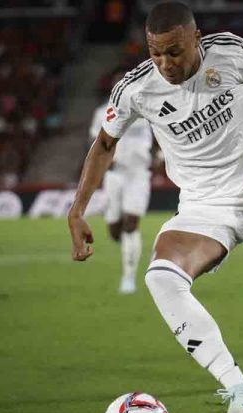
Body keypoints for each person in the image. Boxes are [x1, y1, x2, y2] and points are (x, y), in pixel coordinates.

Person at [67, 2, 243, 413]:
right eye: (155, 53)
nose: (165, 64)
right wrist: (78, 208)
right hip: (202, 205)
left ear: (196, 38)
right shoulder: (136, 88)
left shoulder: (233, 52)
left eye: (174, 52)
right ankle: (241, 392)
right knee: (160, 277)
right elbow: (104, 144)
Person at [88, 71, 157, 295]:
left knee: (131, 224)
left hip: (138, 173)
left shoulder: (148, 110)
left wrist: (159, 159)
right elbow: (95, 142)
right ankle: (129, 248)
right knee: (115, 230)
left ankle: (129, 278)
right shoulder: (103, 112)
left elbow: (161, 137)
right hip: (114, 175)